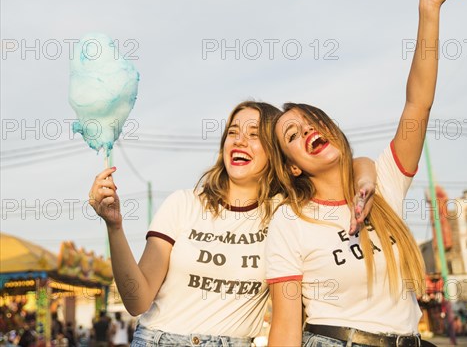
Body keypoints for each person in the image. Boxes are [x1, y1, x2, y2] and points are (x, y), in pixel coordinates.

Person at [266, 0, 454, 347]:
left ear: (329, 127)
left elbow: (418, 103)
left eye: (310, 121)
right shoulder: (290, 221)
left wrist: (429, 9)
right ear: (293, 167)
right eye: (293, 136)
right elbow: (285, 326)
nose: (307, 131)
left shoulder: (384, 179)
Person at [89, 100, 378, 347]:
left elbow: (352, 164)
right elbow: (137, 300)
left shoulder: (287, 216)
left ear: (275, 153)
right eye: (233, 132)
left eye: (254, 135)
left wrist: (365, 178)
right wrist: (114, 227)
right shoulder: (183, 203)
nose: (240, 140)